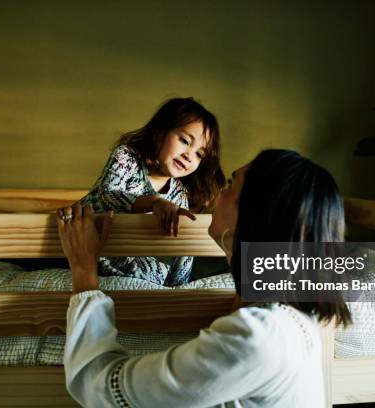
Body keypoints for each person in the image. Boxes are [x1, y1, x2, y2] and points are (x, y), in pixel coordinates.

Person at [57, 149, 351, 407]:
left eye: (230, 184)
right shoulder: (292, 320)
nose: (218, 193)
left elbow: (101, 390)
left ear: (251, 214)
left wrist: (84, 269)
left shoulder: (258, 336)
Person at [77, 97, 225, 286]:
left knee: (159, 272)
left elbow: (182, 248)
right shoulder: (127, 157)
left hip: (119, 256)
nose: (189, 156)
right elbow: (108, 196)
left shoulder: (179, 195)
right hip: (77, 238)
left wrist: (178, 288)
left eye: (199, 154)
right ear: (161, 131)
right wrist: (154, 202)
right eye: (185, 140)